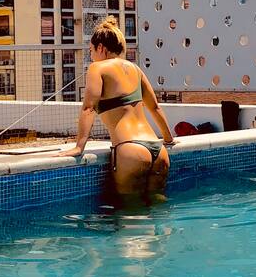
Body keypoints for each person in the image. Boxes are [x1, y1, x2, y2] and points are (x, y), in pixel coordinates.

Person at [57, 17, 175, 206]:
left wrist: (79, 147)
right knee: (158, 205)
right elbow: (155, 107)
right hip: (158, 150)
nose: (91, 56)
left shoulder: (97, 68)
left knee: (130, 211)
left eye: (91, 51)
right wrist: (168, 139)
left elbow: (88, 108)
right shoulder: (135, 69)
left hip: (130, 149)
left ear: (101, 48)